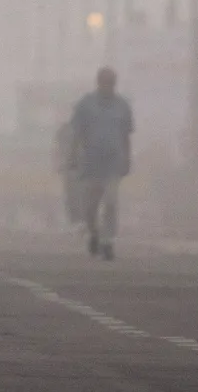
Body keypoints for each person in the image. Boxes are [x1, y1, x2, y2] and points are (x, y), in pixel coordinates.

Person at [67, 67, 134, 261]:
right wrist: (72, 155)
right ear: (98, 83)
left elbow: (126, 135)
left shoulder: (122, 106)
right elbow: (77, 133)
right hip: (91, 162)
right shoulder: (85, 105)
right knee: (90, 206)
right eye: (105, 82)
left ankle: (107, 241)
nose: (108, 86)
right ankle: (94, 233)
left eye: (111, 82)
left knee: (111, 202)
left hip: (113, 162)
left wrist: (127, 158)